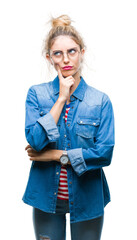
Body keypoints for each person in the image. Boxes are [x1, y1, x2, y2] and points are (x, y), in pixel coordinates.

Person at [22, 14, 115, 240]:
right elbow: (35, 141)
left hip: (88, 199)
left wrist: (56, 155)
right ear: (49, 58)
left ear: (82, 53)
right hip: (46, 199)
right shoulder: (37, 94)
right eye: (58, 53)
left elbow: (104, 154)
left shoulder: (100, 101)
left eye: (72, 51)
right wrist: (61, 98)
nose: (66, 59)